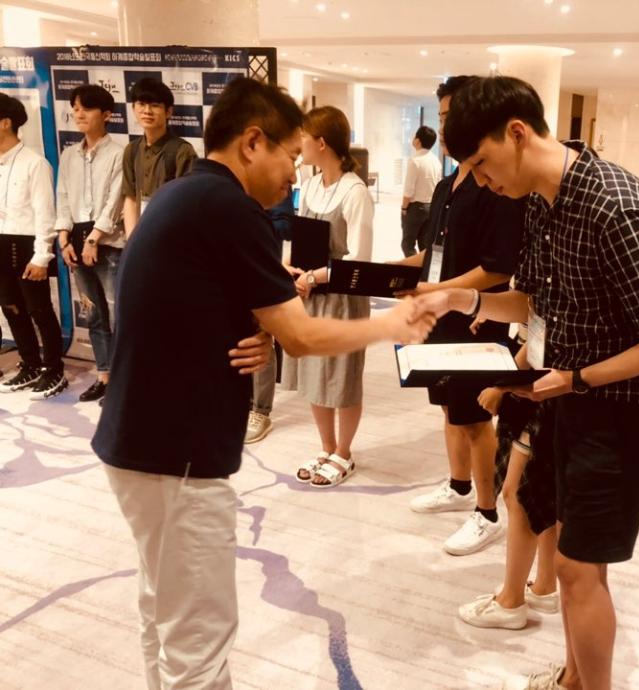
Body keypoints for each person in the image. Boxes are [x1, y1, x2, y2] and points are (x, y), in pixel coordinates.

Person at [92, 77, 433, 690]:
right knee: (199, 639)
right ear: (253, 142)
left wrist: (252, 328)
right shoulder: (230, 208)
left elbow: (191, 301)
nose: (293, 175)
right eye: (290, 155)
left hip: (142, 443)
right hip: (178, 457)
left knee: (164, 612)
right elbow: (300, 334)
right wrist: (393, 324)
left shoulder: (185, 194)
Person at [419, 75, 639, 690]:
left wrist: (575, 379)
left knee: (575, 567)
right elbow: (534, 302)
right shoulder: (542, 203)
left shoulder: (614, 206)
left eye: (483, 163)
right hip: (573, 394)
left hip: (626, 409)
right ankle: (574, 677)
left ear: (517, 133)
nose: (482, 180)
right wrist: (463, 299)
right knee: (569, 550)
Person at [396, 76, 525, 557]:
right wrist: (393, 271)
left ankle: (487, 513)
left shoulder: (495, 186)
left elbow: (498, 268)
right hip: (441, 312)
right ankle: (459, 485)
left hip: (477, 316)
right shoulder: (448, 184)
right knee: (449, 407)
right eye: (443, 117)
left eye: (453, 117)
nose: (447, 127)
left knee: (475, 417)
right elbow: (433, 254)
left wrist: (440, 292)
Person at [280, 106, 374, 488]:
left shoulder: (355, 191)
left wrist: (316, 276)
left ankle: (344, 453)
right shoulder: (311, 184)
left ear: (321, 143)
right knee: (314, 373)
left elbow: (361, 259)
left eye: (303, 136)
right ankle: (327, 447)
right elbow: (300, 236)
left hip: (343, 297)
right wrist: (292, 268)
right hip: (311, 294)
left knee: (343, 376)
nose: (298, 143)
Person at [458, 325, 559, 631]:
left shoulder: (561, 298)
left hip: (543, 390)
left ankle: (511, 601)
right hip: (543, 383)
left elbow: (545, 329)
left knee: (519, 495)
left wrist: (502, 385)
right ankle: (545, 586)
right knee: (544, 495)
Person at [55, 83, 125, 403]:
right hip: (76, 241)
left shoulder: (119, 153)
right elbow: (63, 197)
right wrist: (63, 238)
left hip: (108, 242)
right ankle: (104, 375)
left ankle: (125, 380)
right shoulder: (69, 154)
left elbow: (115, 199)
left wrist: (95, 238)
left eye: (86, 108)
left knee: (119, 314)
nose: (78, 113)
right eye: (75, 108)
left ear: (106, 114)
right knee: (93, 313)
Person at [0, 93, 66, 399]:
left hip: (27, 245)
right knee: (11, 308)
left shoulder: (35, 163)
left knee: (39, 310)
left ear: (5, 123)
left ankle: (53, 369)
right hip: (1, 243)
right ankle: (29, 363)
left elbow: (45, 214)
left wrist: (42, 256)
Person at [244, 186, 295, 444]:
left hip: (264, 269)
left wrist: (250, 225)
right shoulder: (227, 183)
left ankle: (261, 411)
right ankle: (243, 404)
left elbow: (286, 224)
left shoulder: (273, 180)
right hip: (231, 268)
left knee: (262, 335)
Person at [121, 77, 196, 238]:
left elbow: (186, 206)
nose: (147, 111)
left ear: (168, 112)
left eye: (155, 105)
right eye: (141, 104)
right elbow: (131, 198)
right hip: (140, 236)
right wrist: (132, 241)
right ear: (133, 108)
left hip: (170, 237)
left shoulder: (182, 151)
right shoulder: (131, 150)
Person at [400, 124, 441, 256]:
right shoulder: (436, 161)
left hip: (415, 209)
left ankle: (414, 268)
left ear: (417, 141)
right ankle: (424, 268)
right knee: (425, 245)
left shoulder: (415, 161)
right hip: (431, 207)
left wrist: (404, 208)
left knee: (407, 244)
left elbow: (409, 190)